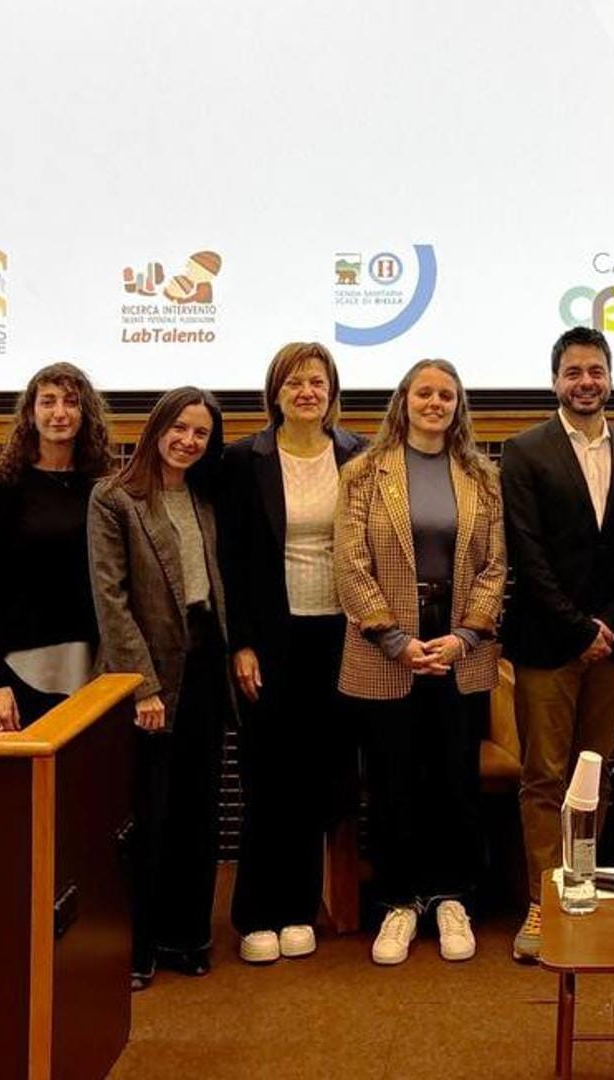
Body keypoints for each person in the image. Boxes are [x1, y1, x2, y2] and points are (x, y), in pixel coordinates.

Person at [334, 359, 506, 968]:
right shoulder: (363, 472)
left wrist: (464, 635)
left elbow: (494, 566)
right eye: (424, 393)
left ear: (459, 406)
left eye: (446, 395)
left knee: (455, 777)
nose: (435, 403)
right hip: (385, 649)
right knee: (392, 779)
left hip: (459, 648)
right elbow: (350, 562)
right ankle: (399, 902)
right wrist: (393, 639)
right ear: (403, 400)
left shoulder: (482, 475)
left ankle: (453, 898)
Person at [499, 327, 614, 963]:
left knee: (595, 774)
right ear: (555, 381)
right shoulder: (523, 450)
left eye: (595, 371)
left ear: (610, 378)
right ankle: (545, 900)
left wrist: (607, 625)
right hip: (546, 643)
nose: (585, 382)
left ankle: (584, 892)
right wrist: (576, 627)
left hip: (613, 645)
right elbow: (526, 553)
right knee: (544, 776)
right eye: (573, 372)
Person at [215, 343, 367, 965]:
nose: (307, 391)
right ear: (274, 393)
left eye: (317, 382)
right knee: (266, 774)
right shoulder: (242, 460)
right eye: (294, 382)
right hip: (270, 638)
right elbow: (230, 560)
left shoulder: (357, 455)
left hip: (338, 635)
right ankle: (256, 913)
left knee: (316, 775)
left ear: (332, 392)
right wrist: (242, 642)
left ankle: (300, 908)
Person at [88, 387, 233, 990]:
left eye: (200, 433)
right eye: (179, 427)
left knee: (198, 809)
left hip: (205, 665)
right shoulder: (114, 497)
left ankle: (187, 937)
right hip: (148, 675)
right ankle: (137, 946)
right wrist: (141, 686)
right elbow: (111, 599)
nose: (188, 441)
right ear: (157, 428)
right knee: (147, 814)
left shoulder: (205, 495)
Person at [0, 362, 114, 730]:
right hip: (21, 668)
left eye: (71, 402)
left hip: (90, 666)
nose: (59, 413)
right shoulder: (4, 487)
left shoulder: (102, 486)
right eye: (48, 402)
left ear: (86, 413)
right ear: (30, 414)